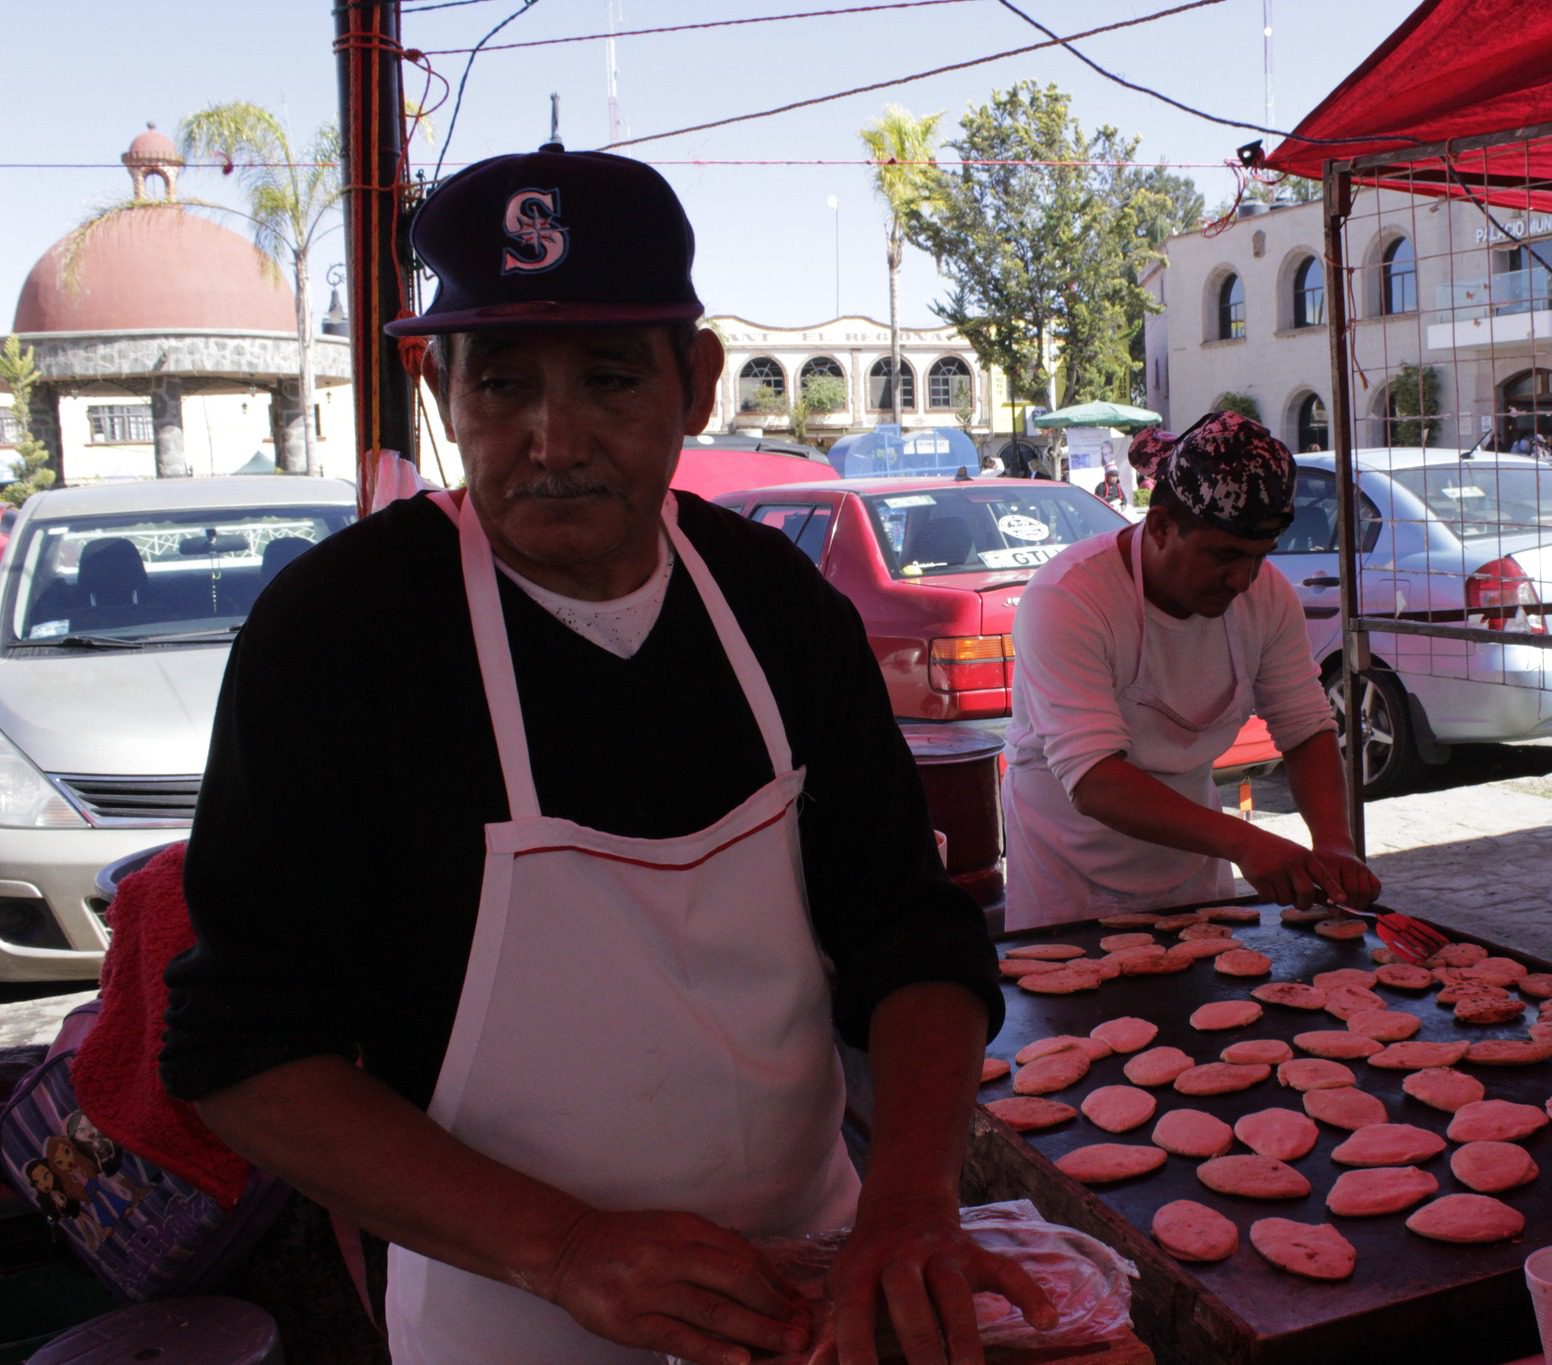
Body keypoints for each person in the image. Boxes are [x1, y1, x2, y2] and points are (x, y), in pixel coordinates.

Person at [160, 145, 1048, 1365]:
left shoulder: (775, 609)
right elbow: (244, 1052)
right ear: (437, 388)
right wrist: (563, 1248)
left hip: (816, 1283)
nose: (551, 437)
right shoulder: (340, 640)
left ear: (695, 382)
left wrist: (906, 1200)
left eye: (610, 379)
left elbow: (909, 931)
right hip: (505, 1308)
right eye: (502, 385)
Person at [1000, 412, 1381, 930]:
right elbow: (1094, 780)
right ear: (1159, 526)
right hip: (1068, 870)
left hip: (1193, 857)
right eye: (1224, 555)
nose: (1243, 580)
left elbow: (1305, 728)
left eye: (1259, 557)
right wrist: (1248, 842)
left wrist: (1335, 844)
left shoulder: (1268, 598)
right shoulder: (1068, 599)